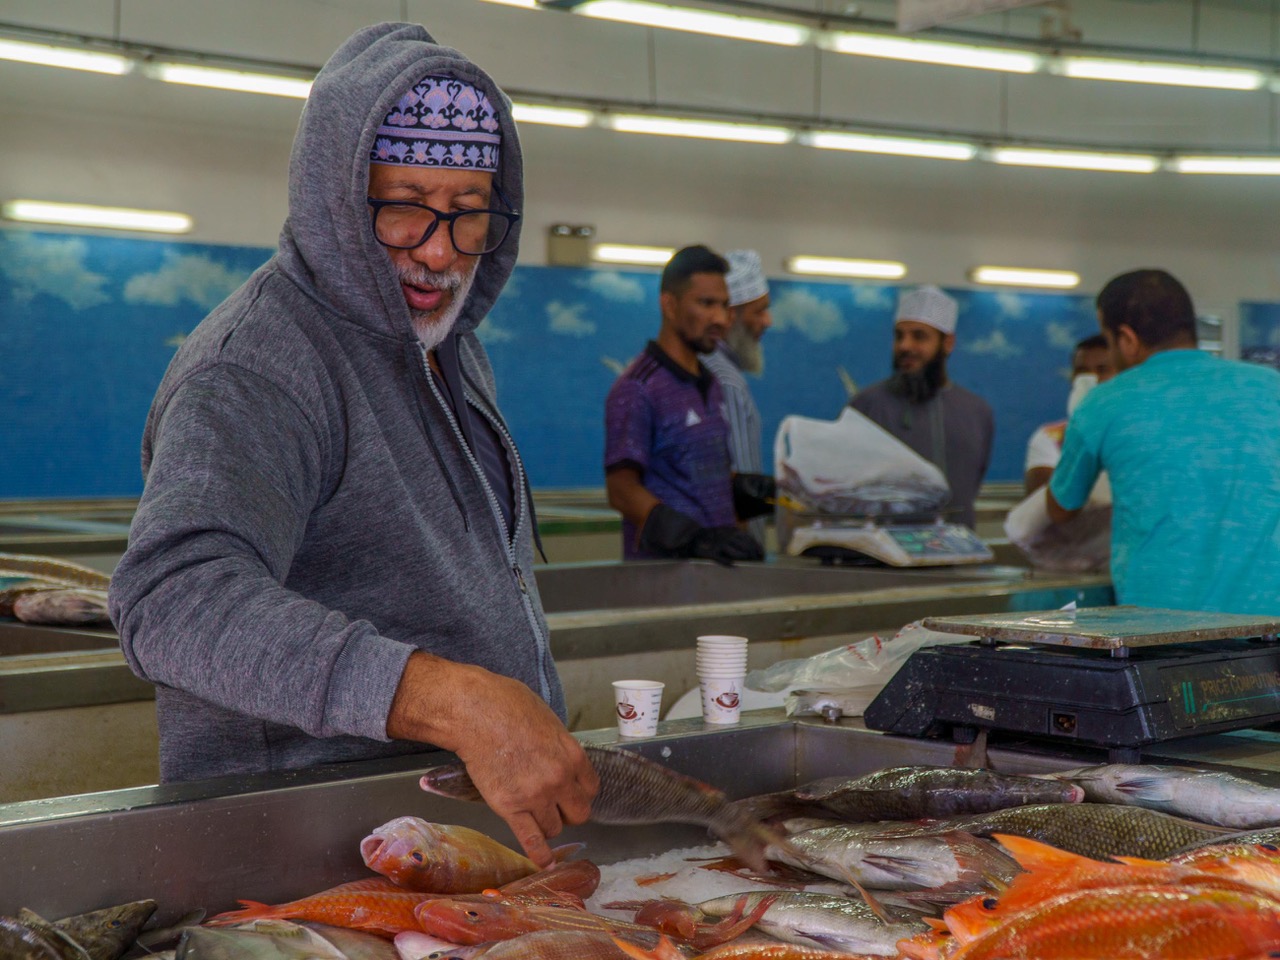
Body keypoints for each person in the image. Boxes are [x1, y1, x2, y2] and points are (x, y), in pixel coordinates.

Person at [106, 22, 597, 866]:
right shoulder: (258, 367)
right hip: (301, 859)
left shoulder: (448, 347)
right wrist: (451, 700)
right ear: (336, 200)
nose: (438, 252)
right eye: (403, 207)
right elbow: (171, 599)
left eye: (469, 214)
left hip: (437, 847)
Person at [1047, 269, 1280, 614]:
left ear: (1126, 339)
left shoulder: (1103, 402)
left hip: (1160, 630)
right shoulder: (1270, 387)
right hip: (1266, 627)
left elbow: (1061, 509)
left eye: (1108, 342)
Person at [604, 246, 768, 563]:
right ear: (670, 305)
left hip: (715, 578)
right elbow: (621, 490)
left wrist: (744, 489)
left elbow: (692, 471)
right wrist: (692, 539)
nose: (720, 318)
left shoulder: (712, 383)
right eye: (706, 304)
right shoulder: (637, 387)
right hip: (662, 585)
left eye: (724, 305)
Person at [849, 285, 994, 529]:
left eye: (919, 336)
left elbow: (973, 483)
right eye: (899, 336)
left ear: (947, 343)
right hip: (880, 558)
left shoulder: (977, 413)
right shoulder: (866, 406)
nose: (905, 346)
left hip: (957, 553)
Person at [701, 249, 773, 552]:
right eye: (759, 311)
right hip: (736, 556)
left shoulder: (709, 368)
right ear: (732, 317)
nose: (767, 322)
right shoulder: (725, 380)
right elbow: (741, 496)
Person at [1024, 334, 1115, 495]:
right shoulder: (1050, 438)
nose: (1091, 379)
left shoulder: (1143, 434)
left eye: (1102, 370)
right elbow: (1045, 502)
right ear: (1072, 378)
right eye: (1082, 371)